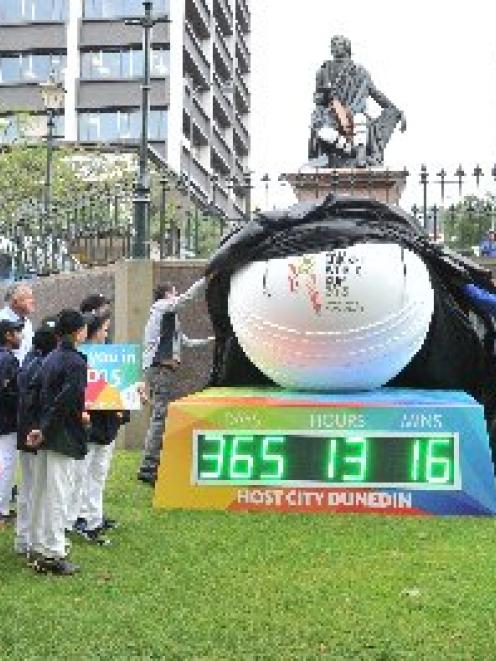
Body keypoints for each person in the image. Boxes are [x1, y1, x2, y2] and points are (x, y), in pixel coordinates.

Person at [28, 309, 89, 576]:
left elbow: (36, 394)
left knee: (42, 491)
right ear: (78, 332)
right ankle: (52, 552)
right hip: (59, 434)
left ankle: (38, 546)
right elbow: (67, 400)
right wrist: (46, 429)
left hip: (46, 431)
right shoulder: (75, 362)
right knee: (57, 494)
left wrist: (38, 428)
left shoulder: (50, 358)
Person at [138, 278, 213, 485]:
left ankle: (150, 464)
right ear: (167, 294)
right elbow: (186, 299)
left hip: (162, 369)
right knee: (160, 417)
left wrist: (211, 341)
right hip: (161, 368)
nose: (176, 295)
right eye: (174, 292)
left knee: (159, 416)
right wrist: (207, 279)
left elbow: (186, 343)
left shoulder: (168, 318)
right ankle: (149, 468)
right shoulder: (162, 307)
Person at [73, 311, 129, 544]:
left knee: (98, 473)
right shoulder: (80, 359)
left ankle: (94, 516)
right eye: (104, 330)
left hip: (108, 426)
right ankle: (82, 518)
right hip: (90, 426)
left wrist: (130, 396)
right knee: (84, 473)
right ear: (91, 332)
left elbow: (121, 389)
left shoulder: (113, 358)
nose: (107, 335)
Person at [14, 319, 58, 558]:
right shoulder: (43, 367)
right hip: (34, 435)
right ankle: (32, 541)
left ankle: (23, 539)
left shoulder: (28, 362)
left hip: (25, 433)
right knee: (37, 490)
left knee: (28, 489)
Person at [0, 319, 23, 525]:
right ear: (8, 335)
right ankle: (2, 509)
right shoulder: (7, 360)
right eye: (17, 332)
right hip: (6, 421)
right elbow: (10, 393)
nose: (20, 336)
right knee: (6, 463)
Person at [0, 283, 35, 364]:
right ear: (15, 301)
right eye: (29, 298)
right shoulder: (1, 319)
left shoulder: (27, 321)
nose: (33, 301)